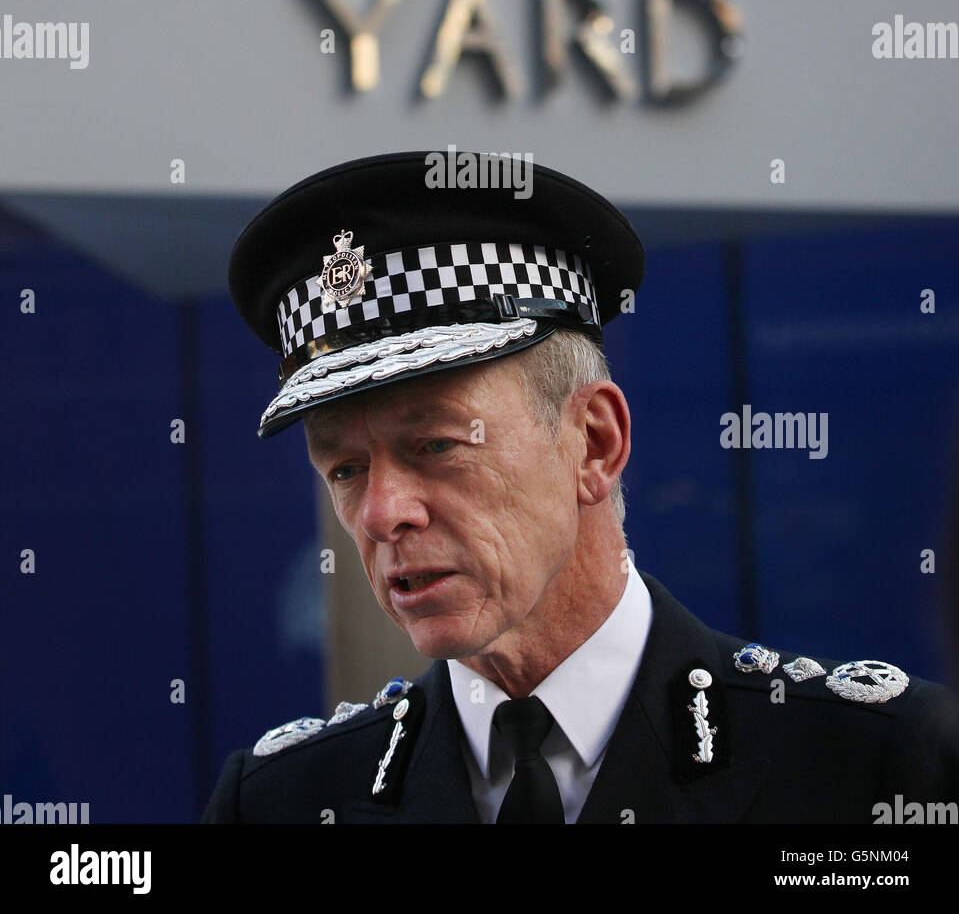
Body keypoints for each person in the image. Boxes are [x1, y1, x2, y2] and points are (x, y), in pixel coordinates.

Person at [202, 150, 959, 824]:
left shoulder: (878, 768)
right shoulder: (281, 801)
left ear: (594, 444)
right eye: (344, 468)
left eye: (435, 444)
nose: (381, 512)